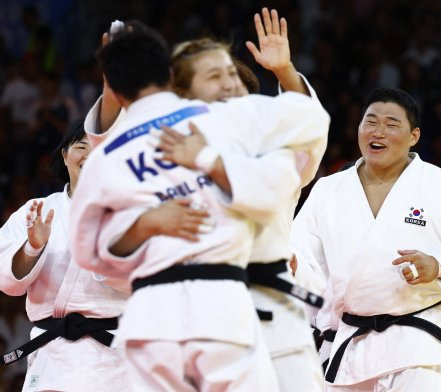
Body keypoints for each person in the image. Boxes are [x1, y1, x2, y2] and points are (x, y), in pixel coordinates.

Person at [69, 23, 329, 391]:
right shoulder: (221, 123)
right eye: (216, 76)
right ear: (180, 85)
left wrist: (283, 72)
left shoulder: (251, 130)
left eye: (233, 77)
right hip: (215, 307)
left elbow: (309, 135)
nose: (229, 85)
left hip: (260, 308)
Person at [290, 87, 441, 390]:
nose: (378, 132)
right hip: (350, 344)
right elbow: (305, 259)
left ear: (413, 136)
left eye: (391, 125)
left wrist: (439, 266)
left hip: (420, 343)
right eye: (370, 122)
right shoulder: (329, 190)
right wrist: (289, 263)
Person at [0, 120, 130, 391]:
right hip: (53, 353)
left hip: (113, 356)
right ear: (64, 154)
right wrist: (32, 248)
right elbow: (8, 283)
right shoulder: (36, 210)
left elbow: (145, 279)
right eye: (81, 147)